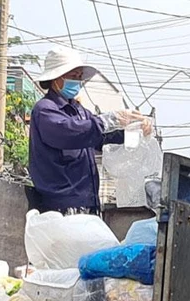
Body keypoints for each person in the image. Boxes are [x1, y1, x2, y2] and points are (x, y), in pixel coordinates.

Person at [29, 46, 152, 215]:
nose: (78, 81)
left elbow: (102, 138)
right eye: (73, 76)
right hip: (60, 206)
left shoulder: (80, 111)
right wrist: (112, 118)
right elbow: (71, 132)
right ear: (56, 78)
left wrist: (135, 132)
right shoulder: (45, 110)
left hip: (89, 203)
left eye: (79, 77)